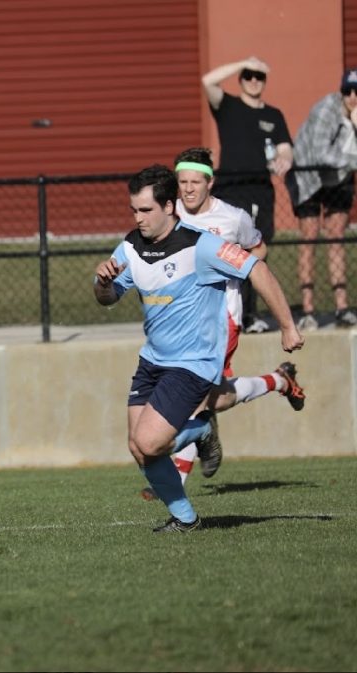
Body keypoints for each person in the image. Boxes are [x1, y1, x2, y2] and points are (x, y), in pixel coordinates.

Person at [94, 165, 304, 532]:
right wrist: (102, 282)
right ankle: (185, 520)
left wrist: (287, 326)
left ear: (170, 207)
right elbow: (108, 298)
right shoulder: (131, 246)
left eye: (146, 210)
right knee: (138, 447)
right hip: (152, 359)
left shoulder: (200, 244)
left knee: (150, 441)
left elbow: (257, 269)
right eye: (133, 210)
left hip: (192, 362)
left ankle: (202, 431)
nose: (137, 218)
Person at [138, 149, 307, 501]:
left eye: (194, 183)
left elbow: (258, 251)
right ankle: (279, 380)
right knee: (211, 398)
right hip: (177, 323)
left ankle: (174, 483)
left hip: (221, 319)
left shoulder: (233, 218)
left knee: (195, 400)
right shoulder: (169, 213)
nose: (187, 190)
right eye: (181, 182)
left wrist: (231, 265)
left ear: (209, 182)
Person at [203, 57, 294, 334]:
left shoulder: (273, 115)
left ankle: (250, 313)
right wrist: (244, 61)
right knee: (226, 251)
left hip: (260, 191)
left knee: (256, 252)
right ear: (241, 79)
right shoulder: (228, 106)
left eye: (259, 77)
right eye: (249, 76)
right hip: (231, 189)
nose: (254, 81)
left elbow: (285, 148)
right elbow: (208, 81)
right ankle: (224, 313)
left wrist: (284, 159)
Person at [289, 67, 357, 330]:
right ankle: (308, 311)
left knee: (336, 238)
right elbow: (320, 156)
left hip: (339, 178)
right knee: (309, 238)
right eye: (347, 91)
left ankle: (342, 308)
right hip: (309, 176)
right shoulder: (325, 111)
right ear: (340, 91)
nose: (352, 96)